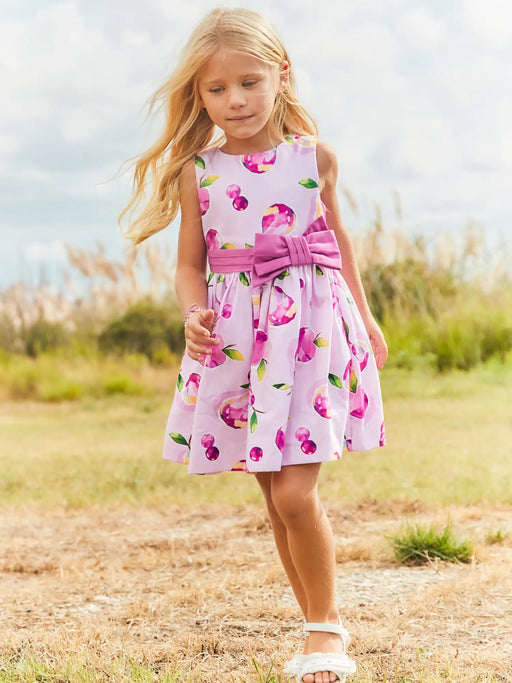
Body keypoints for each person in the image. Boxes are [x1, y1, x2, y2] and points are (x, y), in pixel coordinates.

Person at [120, 8, 387, 683]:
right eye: (216, 89)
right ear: (198, 96)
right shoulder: (198, 174)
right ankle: (314, 628)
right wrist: (193, 310)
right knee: (274, 495)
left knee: (296, 493)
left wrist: (368, 316)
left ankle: (327, 629)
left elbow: (338, 241)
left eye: (248, 82)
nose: (234, 100)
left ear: (280, 75)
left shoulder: (313, 157)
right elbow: (190, 263)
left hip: (310, 331)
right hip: (240, 341)